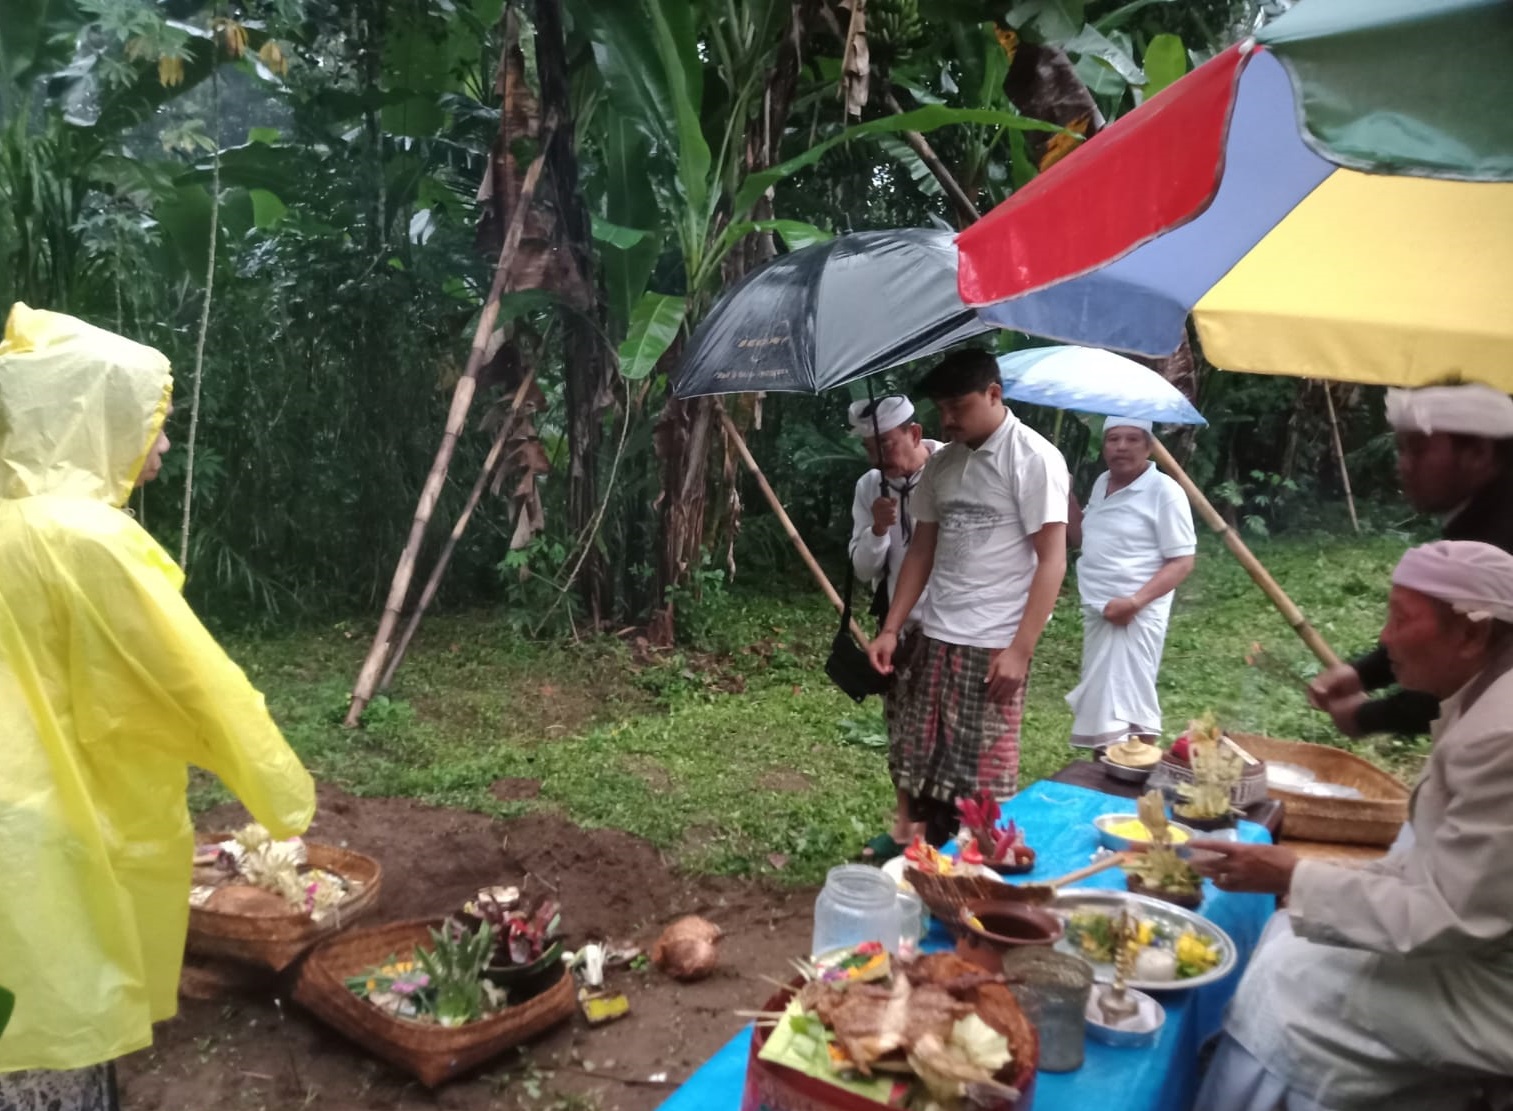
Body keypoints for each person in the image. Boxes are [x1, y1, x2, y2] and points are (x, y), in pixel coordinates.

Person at [0, 305, 316, 1108]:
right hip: (46, 828)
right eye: (149, 421)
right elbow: (190, 682)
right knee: (58, 1024)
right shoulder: (86, 538)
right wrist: (279, 792)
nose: (165, 443)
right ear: (87, 414)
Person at [1191, 540, 1513, 1111]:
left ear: (1473, 634)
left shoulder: (1502, 737)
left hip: (1488, 987)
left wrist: (1297, 874)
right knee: (1285, 935)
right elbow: (1441, 868)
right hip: (1469, 937)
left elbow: (1452, 916)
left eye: (1400, 619)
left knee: (1294, 1002)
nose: (1385, 638)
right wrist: (1310, 883)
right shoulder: (1480, 693)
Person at [867, 347, 1069, 844]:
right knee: (921, 761)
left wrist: (1020, 650)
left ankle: (979, 869)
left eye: (959, 407)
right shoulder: (942, 467)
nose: (948, 419)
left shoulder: (1034, 459)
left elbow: (1053, 559)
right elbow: (920, 553)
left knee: (982, 779)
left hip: (992, 643)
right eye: (942, 409)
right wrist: (892, 628)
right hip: (935, 634)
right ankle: (923, 859)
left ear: (994, 394)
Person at [1310, 383, 1513, 738]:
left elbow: (1475, 668)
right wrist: (1361, 675)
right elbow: (1445, 632)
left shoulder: (1496, 547)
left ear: (1478, 452)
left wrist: (1368, 715)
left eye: (1418, 450)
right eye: (1401, 449)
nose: (1403, 465)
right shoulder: (1480, 517)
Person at [846, 396, 944, 861]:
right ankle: (906, 825)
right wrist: (878, 531)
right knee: (902, 728)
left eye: (887, 444)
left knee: (947, 731)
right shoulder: (870, 487)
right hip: (898, 628)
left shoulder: (950, 468)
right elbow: (865, 570)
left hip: (952, 622)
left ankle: (946, 825)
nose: (881, 458)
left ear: (916, 434)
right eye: (871, 449)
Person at [1065, 417, 1196, 747]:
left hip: (1135, 615)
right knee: (1101, 708)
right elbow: (1085, 538)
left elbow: (1182, 560)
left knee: (1130, 703)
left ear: (1149, 446)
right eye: (1113, 439)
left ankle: (1134, 783)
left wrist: (1135, 602)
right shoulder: (1102, 483)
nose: (1121, 447)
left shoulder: (1164, 491)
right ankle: (1105, 782)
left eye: (1132, 439)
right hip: (1098, 609)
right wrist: (1064, 493)